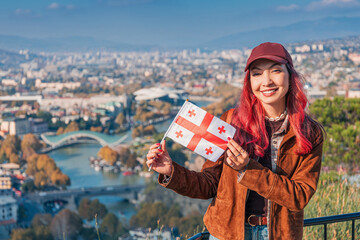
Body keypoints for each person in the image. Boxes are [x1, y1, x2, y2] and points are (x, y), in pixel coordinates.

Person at [146, 42, 324, 240]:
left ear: (291, 76)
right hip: (227, 233)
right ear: (249, 82)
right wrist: (171, 171)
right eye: (257, 74)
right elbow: (210, 184)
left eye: (275, 71)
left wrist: (248, 169)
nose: (266, 81)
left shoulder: (308, 132)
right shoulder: (230, 122)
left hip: (278, 234)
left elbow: (299, 197)